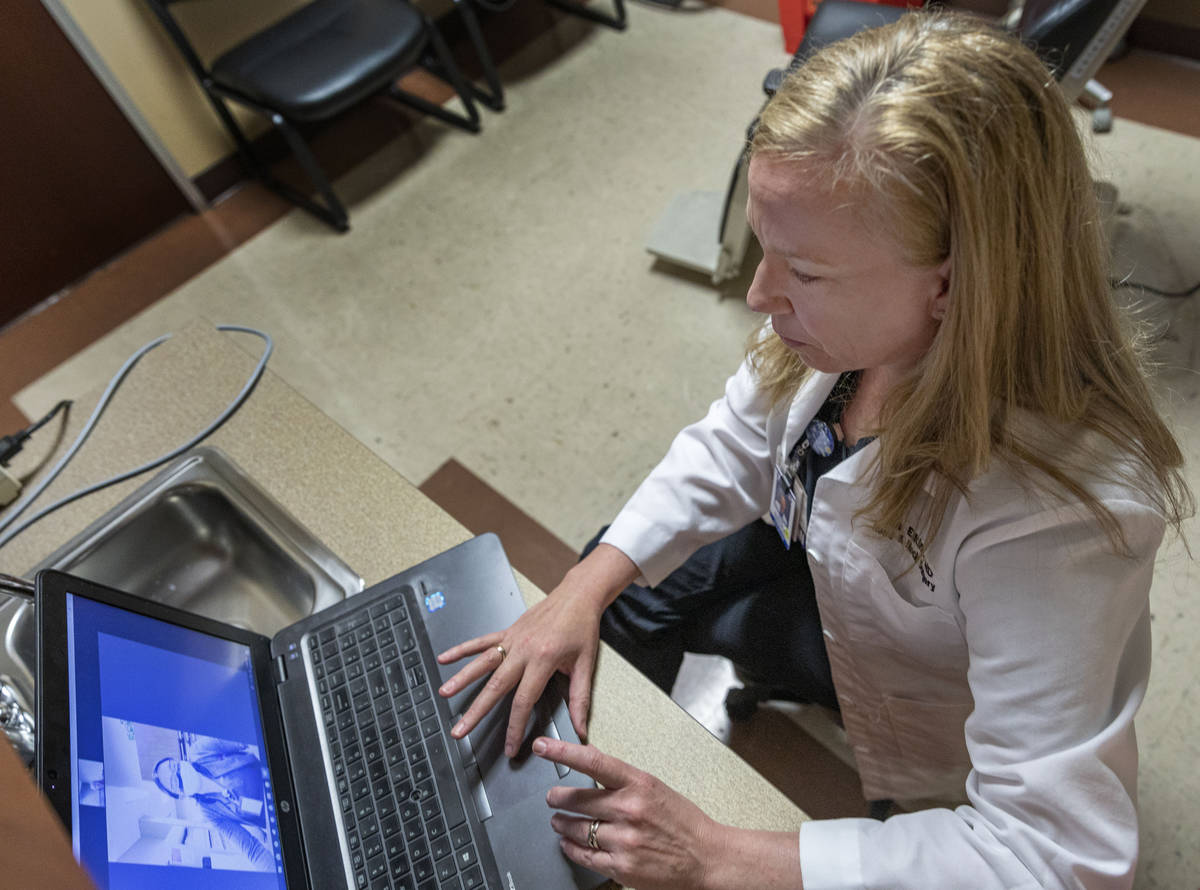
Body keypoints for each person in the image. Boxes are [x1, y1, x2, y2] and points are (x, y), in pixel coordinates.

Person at [438, 10, 1191, 889]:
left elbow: (1056, 857)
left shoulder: (1057, 517)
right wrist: (579, 587)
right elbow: (733, 440)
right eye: (768, 250)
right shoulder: (847, 341)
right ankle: (569, 821)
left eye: (805, 272)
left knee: (705, 624)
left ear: (955, 281)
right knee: (613, 588)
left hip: (912, 675)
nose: (760, 295)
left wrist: (715, 854)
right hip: (828, 544)